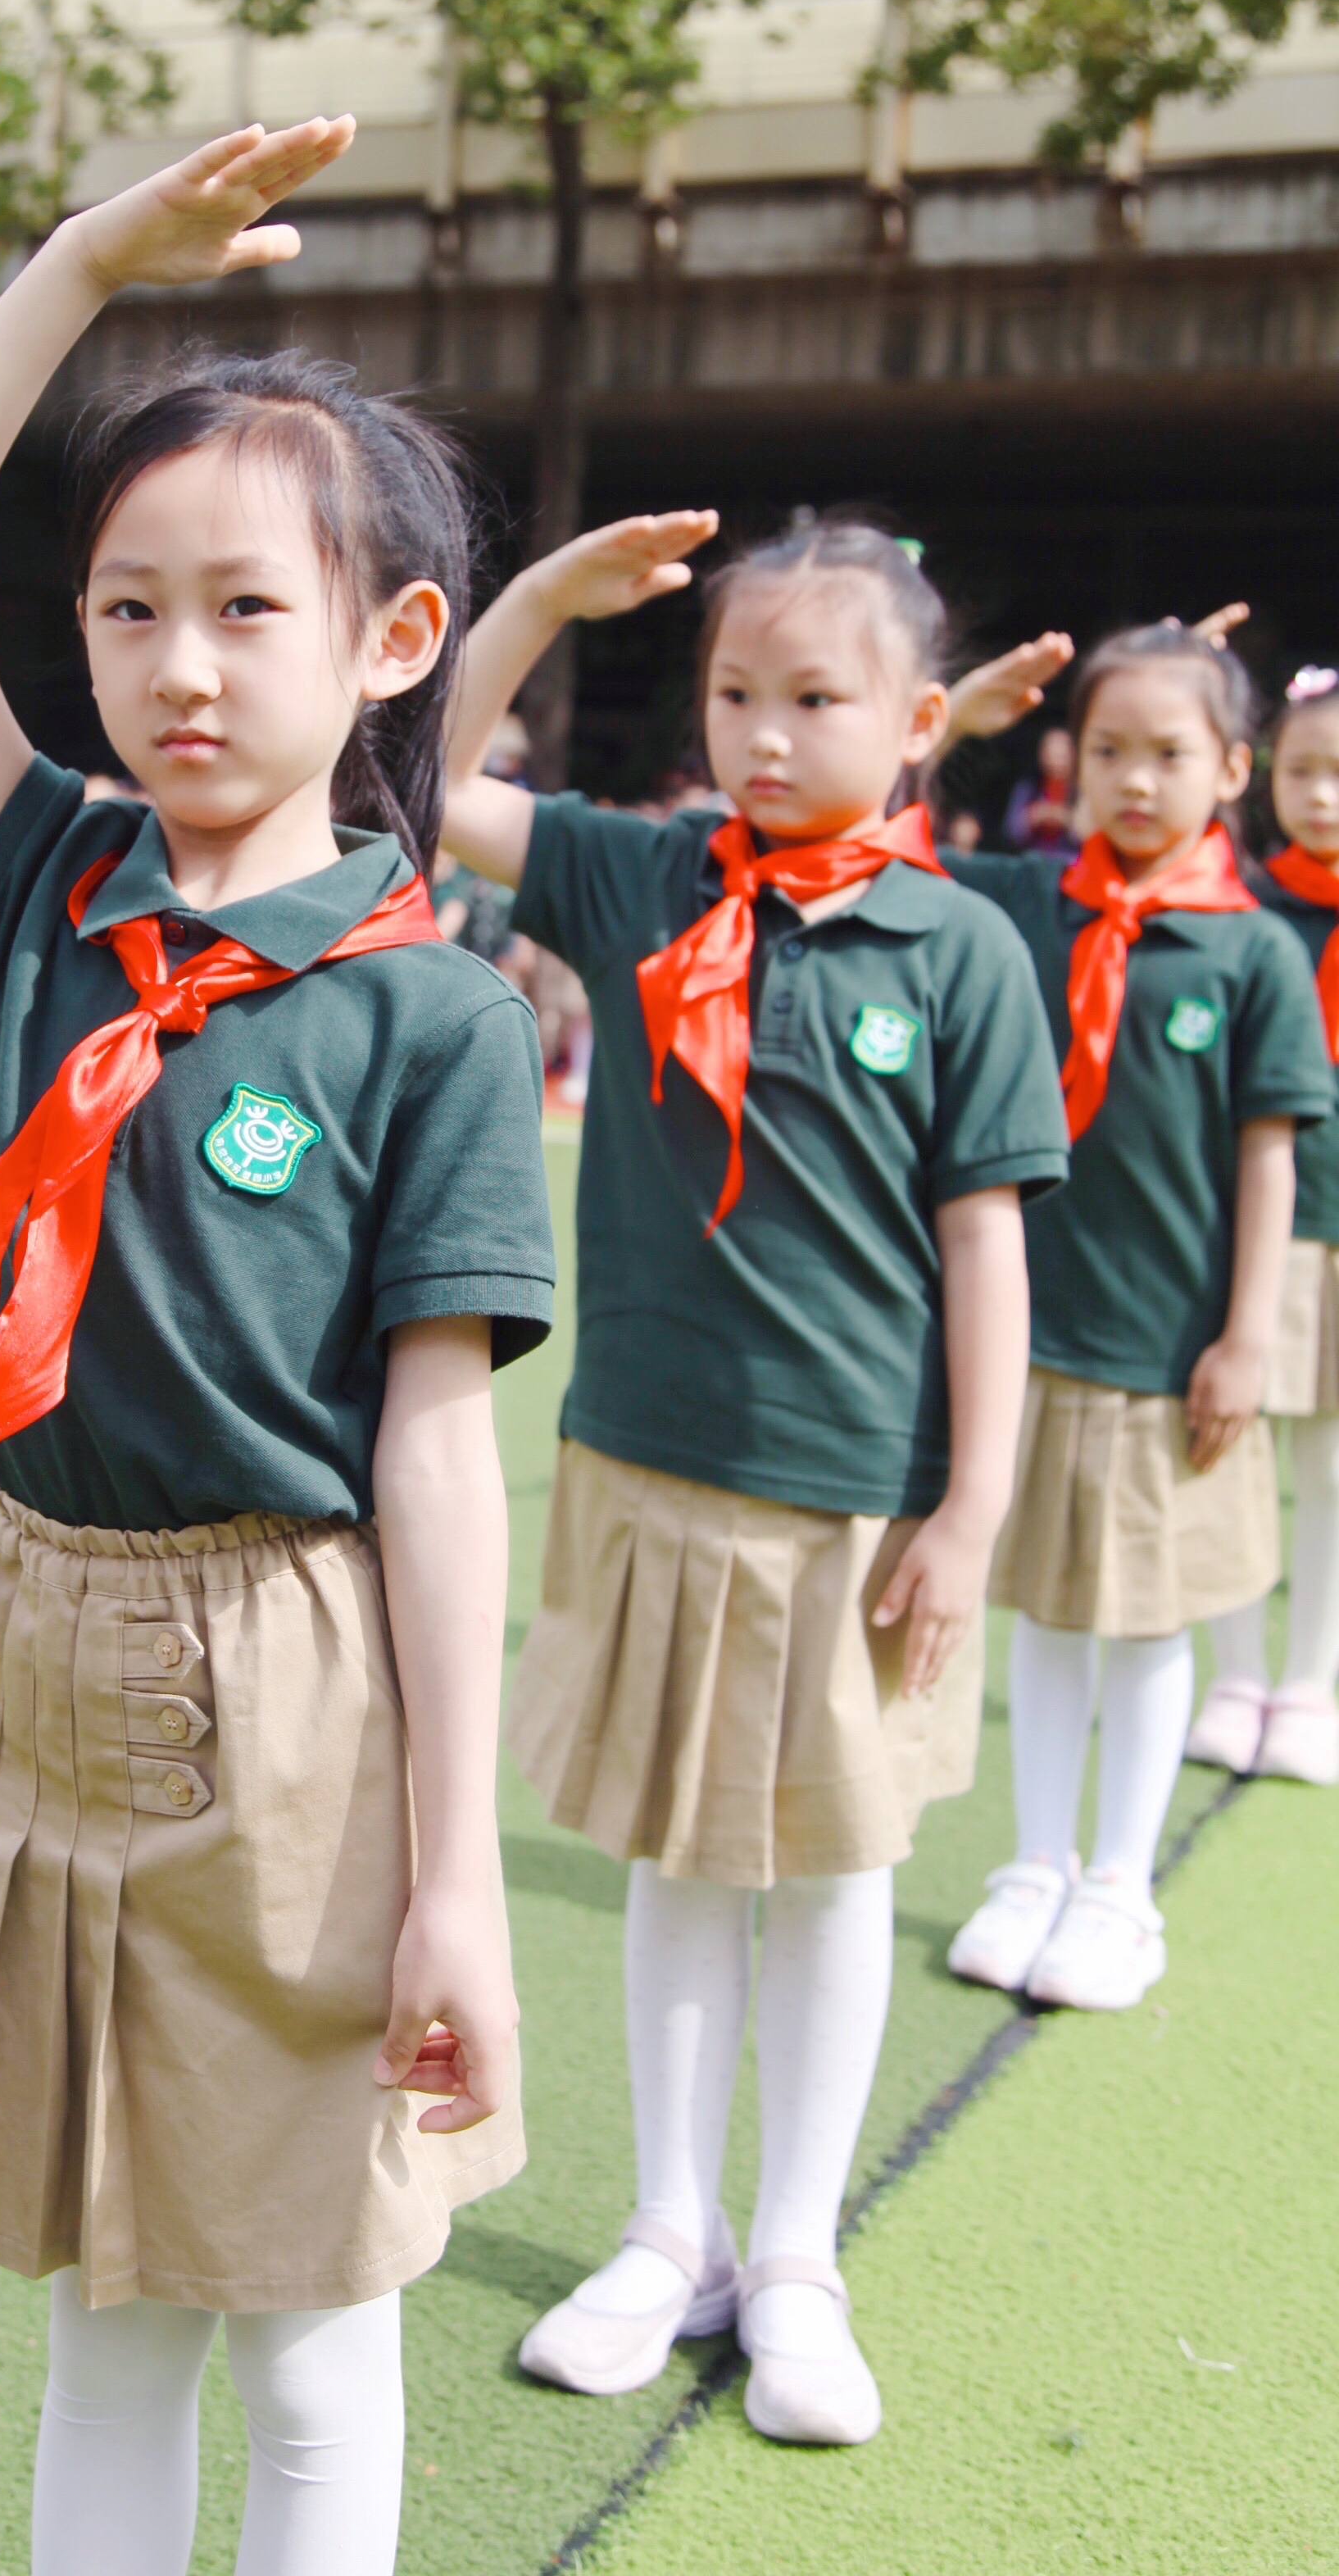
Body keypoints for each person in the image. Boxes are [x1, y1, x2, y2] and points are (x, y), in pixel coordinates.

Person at [0, 117, 557, 2576]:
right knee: (105, 2306)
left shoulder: (428, 1018)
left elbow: (436, 1468)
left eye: (246, 609)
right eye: (127, 611)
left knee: (308, 2311)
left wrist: (451, 1876)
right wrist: (69, 272)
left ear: (387, 640)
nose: (171, 667)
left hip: (287, 1677)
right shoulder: (49, 877)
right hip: (30, 1628)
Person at [438, 509, 1068, 2451]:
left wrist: (968, 1512)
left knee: (835, 1877)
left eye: (817, 697)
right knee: (674, 1860)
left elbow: (987, 1250)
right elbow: (406, 784)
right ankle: (668, 2228)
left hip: (858, 1500)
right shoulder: (636, 878)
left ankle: (796, 2254)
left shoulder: (961, 945)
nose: (768, 734)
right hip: (645, 1465)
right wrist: (534, 606)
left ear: (922, 716)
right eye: (735, 692)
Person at [941, 622, 1331, 2010]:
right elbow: (885, 836)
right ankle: (1034, 1860)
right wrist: (951, 721)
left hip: (1170, 1356)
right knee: (1045, 1612)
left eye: (1167, 753)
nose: (1134, 779)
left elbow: (1267, 1155)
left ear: (1229, 767)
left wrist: (1244, 1335)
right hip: (1035, 1338)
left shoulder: (1249, 955)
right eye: (1106, 750)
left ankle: (1120, 1881)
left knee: (1149, 1621)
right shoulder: (1033, 905)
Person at [1190, 662, 1339, 1786]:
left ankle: (1313, 1681)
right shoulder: (1237, 905)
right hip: (1262, 1226)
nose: (1322, 795)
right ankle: (1236, 1673)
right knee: (1235, 1453)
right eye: (1303, 770)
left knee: (1330, 1463)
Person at [1004, 725, 1078, 856]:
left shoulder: (1082, 790)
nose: (1056, 763)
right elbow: (1011, 832)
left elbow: (1092, 835)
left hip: (1071, 863)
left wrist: (1065, 819)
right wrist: (1031, 818)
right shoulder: (1029, 787)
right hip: (1034, 862)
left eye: (1062, 756)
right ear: (1042, 755)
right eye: (1052, 755)